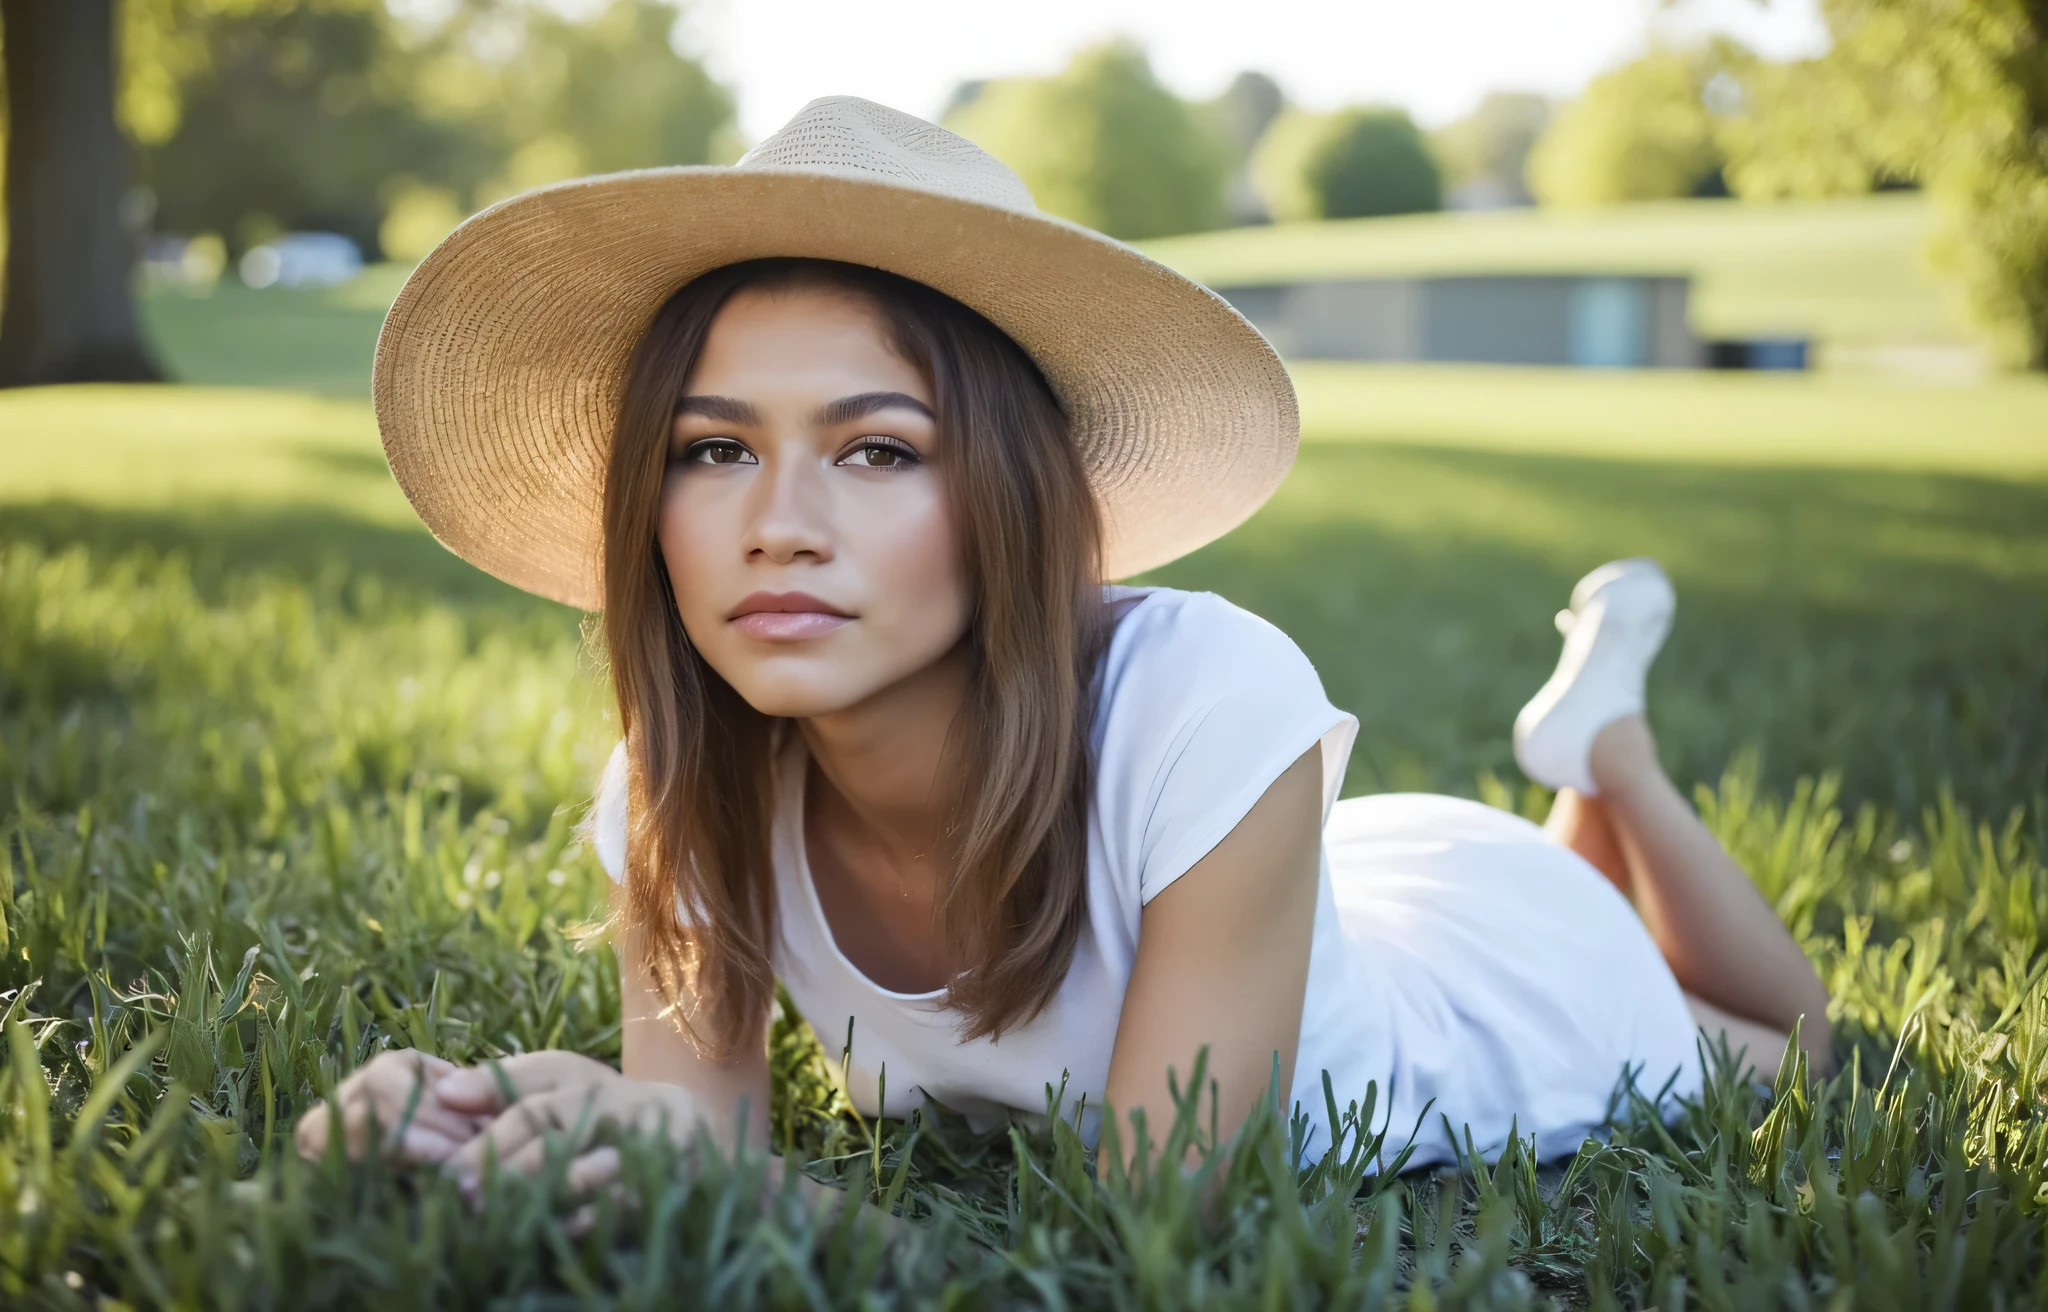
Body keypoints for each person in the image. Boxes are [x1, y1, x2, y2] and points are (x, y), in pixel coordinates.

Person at [295, 98, 1831, 1198]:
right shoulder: (674, 787)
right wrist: (534, 1107)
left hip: (1489, 990)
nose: (777, 524)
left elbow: (1157, 1231)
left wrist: (739, 1197)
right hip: (1316, 893)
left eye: (879, 451)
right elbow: (701, 1147)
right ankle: (1583, 775)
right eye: (712, 451)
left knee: (1804, 1052)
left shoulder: (1209, 700)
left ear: (1012, 497)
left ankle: (1609, 759)